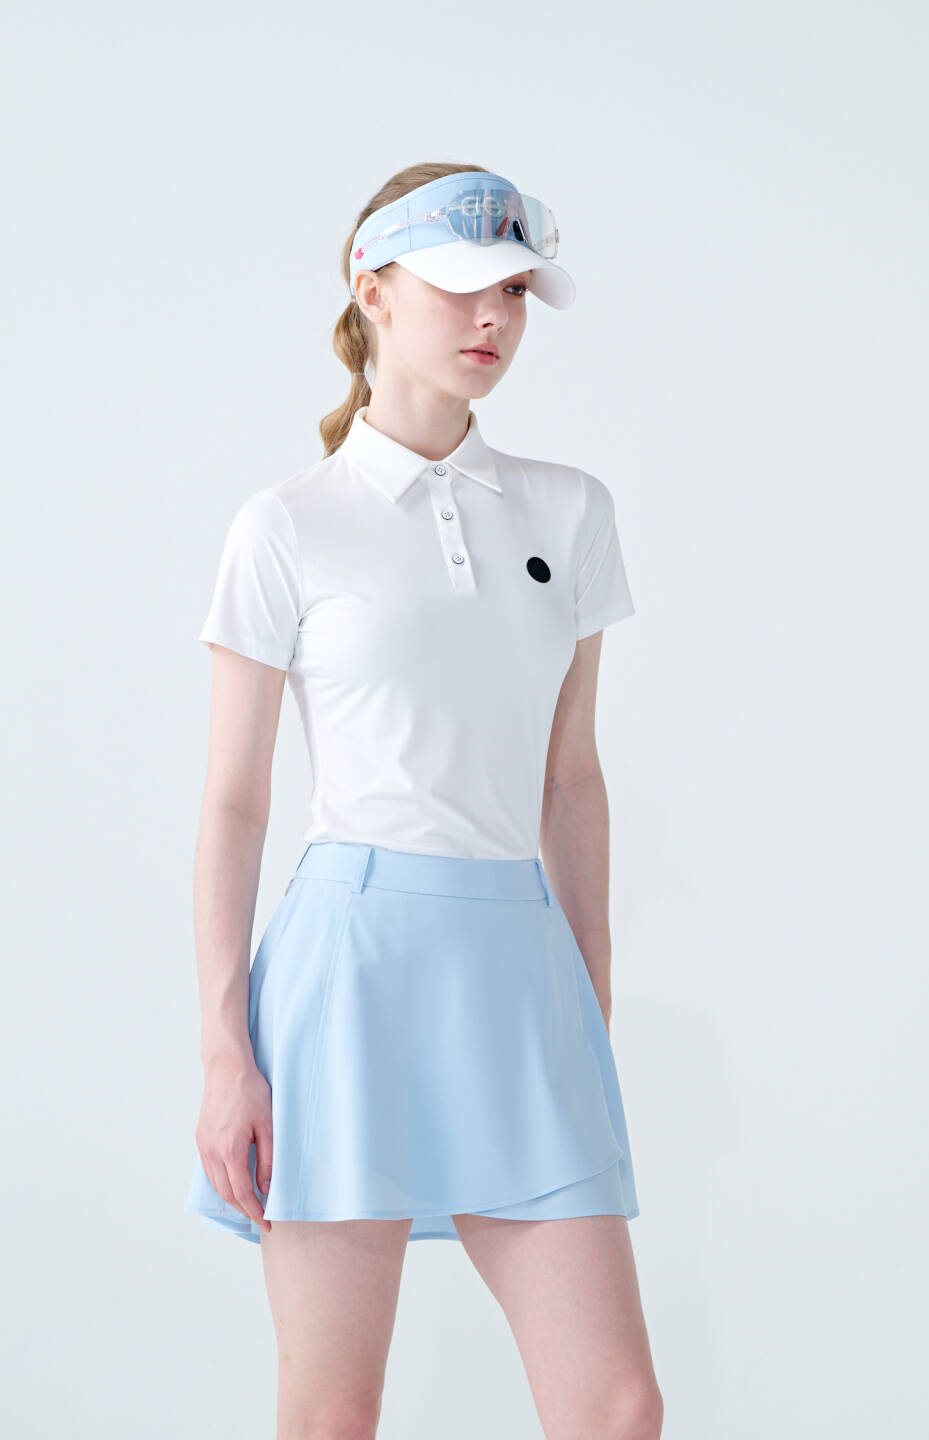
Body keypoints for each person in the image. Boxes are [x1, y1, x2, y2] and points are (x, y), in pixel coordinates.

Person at [183, 161, 664, 1440]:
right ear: (373, 290)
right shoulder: (286, 526)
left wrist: (589, 990)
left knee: (617, 1408)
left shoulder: (571, 510)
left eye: (515, 291)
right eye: (460, 286)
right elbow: (233, 805)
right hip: (348, 971)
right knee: (335, 1414)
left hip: (521, 967)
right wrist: (227, 1049)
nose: (493, 316)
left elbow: (571, 776)